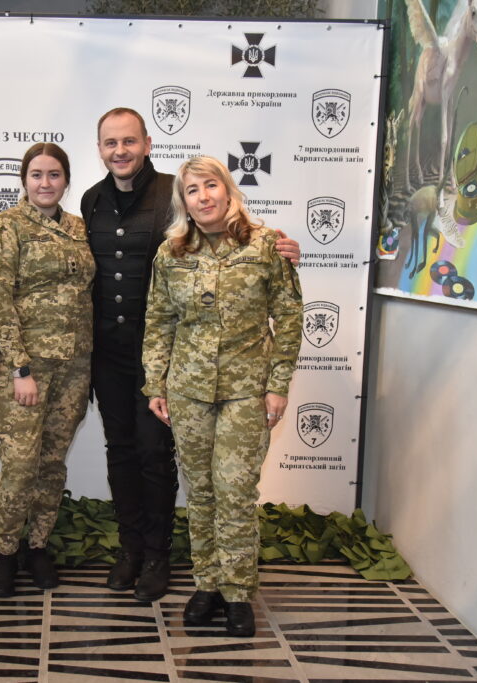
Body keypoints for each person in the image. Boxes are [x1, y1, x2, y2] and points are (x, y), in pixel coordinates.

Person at [80, 108, 301, 601]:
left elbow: (246, 267)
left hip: (175, 361)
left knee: (156, 456)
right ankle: (131, 550)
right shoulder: (91, 200)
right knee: (121, 452)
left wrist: (281, 248)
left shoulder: (172, 191)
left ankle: (158, 556)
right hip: (111, 353)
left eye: (129, 141)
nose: (120, 150)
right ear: (99, 149)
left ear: (147, 143)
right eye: (110, 143)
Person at [142, 155, 303, 637]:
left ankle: (237, 592)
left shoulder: (266, 245)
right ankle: (206, 585)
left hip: (245, 392)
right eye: (192, 190)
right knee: (201, 492)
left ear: (227, 190)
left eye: (210, 185)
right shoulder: (171, 253)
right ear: (184, 202)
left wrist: (278, 385)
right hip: (188, 390)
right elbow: (159, 321)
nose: (203, 196)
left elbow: (288, 316)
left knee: (234, 492)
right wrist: (155, 384)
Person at [0, 142, 96, 597]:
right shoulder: (7, 226)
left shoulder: (80, 228)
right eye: (36, 175)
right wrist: (19, 367)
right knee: (20, 465)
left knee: (51, 463)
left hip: (74, 367)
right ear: (24, 180)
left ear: (65, 180)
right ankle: (6, 552)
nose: (45, 183)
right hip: (26, 369)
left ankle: (38, 546)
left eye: (54, 174)